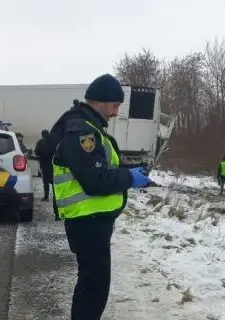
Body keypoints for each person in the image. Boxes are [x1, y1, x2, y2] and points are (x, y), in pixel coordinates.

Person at [50, 73, 153, 320]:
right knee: (93, 289)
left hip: (92, 221)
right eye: (115, 106)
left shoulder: (89, 127)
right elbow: (94, 180)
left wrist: (127, 172)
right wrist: (129, 179)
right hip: (88, 221)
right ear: (100, 101)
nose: (116, 112)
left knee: (93, 286)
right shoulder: (81, 132)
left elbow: (98, 167)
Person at [34, 129, 53, 203]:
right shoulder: (53, 142)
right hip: (52, 164)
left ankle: (46, 196)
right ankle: (56, 196)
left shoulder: (39, 142)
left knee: (45, 182)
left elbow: (36, 153)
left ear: (42, 135)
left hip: (44, 164)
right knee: (53, 181)